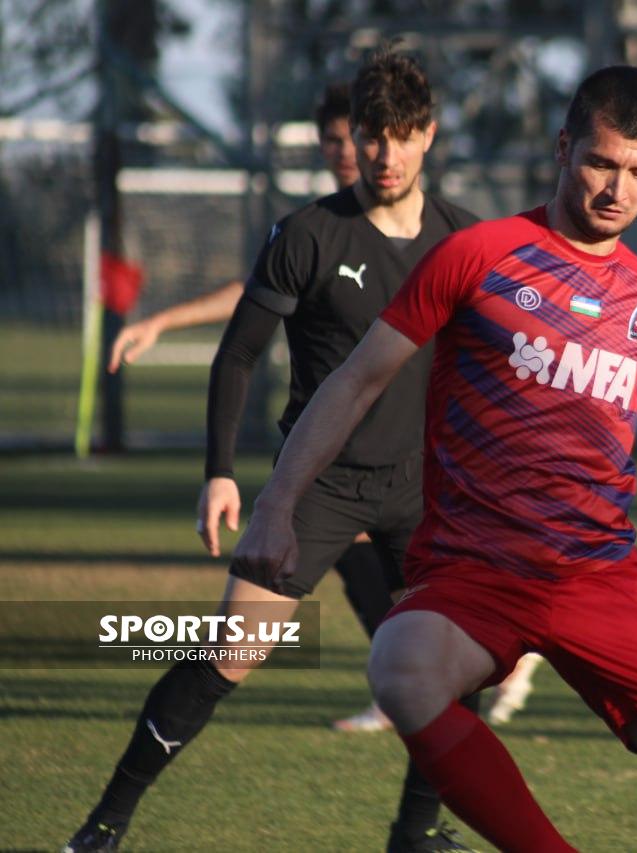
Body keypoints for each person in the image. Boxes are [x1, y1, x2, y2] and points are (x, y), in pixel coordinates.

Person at [233, 65, 637, 851]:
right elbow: (357, 379)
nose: (619, 188)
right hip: (479, 568)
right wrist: (276, 503)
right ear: (565, 147)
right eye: (603, 162)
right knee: (400, 665)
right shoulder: (477, 255)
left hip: (601, 578)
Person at [65, 52, 482, 853]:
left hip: (422, 489)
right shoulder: (309, 235)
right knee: (229, 654)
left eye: (401, 136)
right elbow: (237, 355)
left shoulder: (463, 238)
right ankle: (105, 823)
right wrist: (220, 472)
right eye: (370, 136)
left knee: (450, 667)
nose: (385, 156)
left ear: (428, 136)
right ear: (349, 137)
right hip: (316, 486)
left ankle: (416, 834)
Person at [107, 83, 393, 734]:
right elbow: (252, 296)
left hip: (397, 443)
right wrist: (164, 321)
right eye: (334, 139)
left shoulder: (420, 231)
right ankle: (409, 680)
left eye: (360, 136)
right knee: (349, 552)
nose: (347, 150)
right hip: (333, 445)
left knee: (379, 557)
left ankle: (449, 672)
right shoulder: (315, 230)